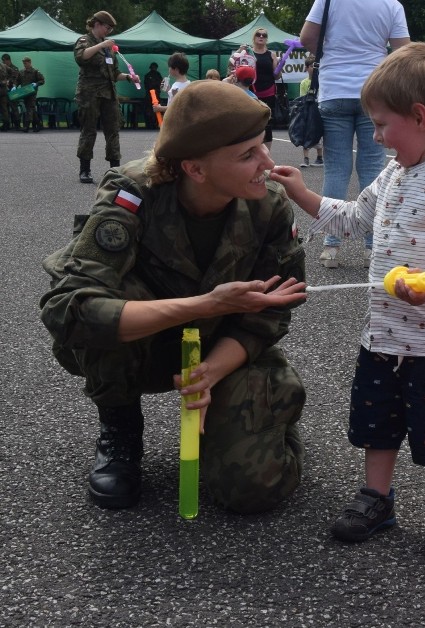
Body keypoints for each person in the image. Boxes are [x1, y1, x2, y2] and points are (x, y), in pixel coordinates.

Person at [270, 42, 425, 557]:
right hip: (384, 334)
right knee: (377, 420)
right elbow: (353, 217)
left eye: (380, 125)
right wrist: (300, 193)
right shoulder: (395, 173)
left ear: (419, 117)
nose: (373, 136)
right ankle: (377, 496)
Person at [39, 80, 309, 514]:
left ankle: (270, 419)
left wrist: (209, 373)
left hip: (226, 347)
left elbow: (272, 313)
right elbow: (68, 309)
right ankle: (120, 432)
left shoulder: (269, 205)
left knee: (252, 490)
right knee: (107, 306)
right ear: (195, 169)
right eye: (247, 155)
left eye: (264, 145)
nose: (267, 163)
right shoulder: (133, 193)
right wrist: (206, 305)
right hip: (151, 346)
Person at [300, 0, 410, 269]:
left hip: (334, 89)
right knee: (373, 171)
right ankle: (373, 248)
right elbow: (404, 51)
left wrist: (330, 54)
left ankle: (331, 247)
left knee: (336, 170)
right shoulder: (391, 4)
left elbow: (306, 38)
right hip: (374, 91)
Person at [74, 11, 139, 184]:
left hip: (109, 93)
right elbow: (81, 57)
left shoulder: (109, 47)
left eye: (110, 29)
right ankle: (85, 170)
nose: (108, 31)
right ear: (96, 24)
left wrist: (128, 77)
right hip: (89, 93)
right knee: (89, 130)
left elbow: (115, 72)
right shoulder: (84, 41)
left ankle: (115, 170)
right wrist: (101, 46)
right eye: (106, 27)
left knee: (113, 130)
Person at [250, 28, 281, 153]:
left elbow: (277, 76)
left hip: (268, 92)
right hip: (251, 92)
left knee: (267, 124)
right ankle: (252, 151)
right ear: (254, 37)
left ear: (266, 38)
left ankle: (266, 155)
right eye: (258, 34)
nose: (261, 36)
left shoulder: (271, 55)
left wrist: (280, 66)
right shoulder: (248, 53)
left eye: (264, 35)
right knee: (251, 123)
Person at [298, 56, 323, 168]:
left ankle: (319, 157)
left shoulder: (322, 81)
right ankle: (306, 158)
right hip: (308, 110)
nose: (314, 68)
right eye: (312, 66)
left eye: (315, 66)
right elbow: (302, 97)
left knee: (318, 133)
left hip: (319, 109)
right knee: (306, 132)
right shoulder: (304, 82)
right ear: (307, 68)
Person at [152, 52, 191, 116]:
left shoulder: (177, 87)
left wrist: (159, 108)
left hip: (175, 122)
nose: (169, 69)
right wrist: (168, 90)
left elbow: (176, 108)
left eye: (169, 67)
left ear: (176, 69)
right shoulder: (188, 84)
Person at [17, 56, 46, 133]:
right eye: (23, 63)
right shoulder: (21, 72)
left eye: (26, 63)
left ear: (30, 62)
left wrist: (36, 84)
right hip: (24, 93)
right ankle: (38, 124)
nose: (24, 64)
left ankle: (26, 126)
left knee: (29, 108)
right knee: (31, 109)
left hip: (32, 93)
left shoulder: (35, 71)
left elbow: (42, 80)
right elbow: (18, 81)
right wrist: (14, 86)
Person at [2, 54, 21, 130]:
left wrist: (10, 83)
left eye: (4, 61)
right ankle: (6, 125)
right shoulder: (3, 69)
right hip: (4, 92)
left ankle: (17, 125)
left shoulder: (14, 68)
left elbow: (16, 79)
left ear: (8, 60)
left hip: (12, 91)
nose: (3, 62)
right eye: (2, 61)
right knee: (4, 109)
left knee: (14, 108)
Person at [142, 62, 163, 128]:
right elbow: (160, 84)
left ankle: (151, 125)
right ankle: (154, 125)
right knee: (153, 110)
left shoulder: (150, 75)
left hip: (152, 96)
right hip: (152, 96)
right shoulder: (154, 75)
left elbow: (147, 86)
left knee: (151, 110)